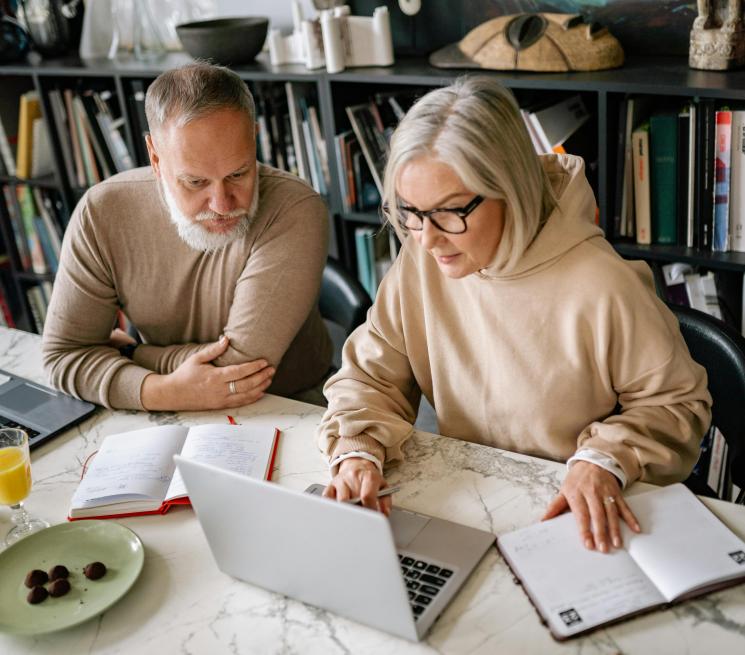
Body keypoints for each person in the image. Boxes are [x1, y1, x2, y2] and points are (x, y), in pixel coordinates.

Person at [317, 76, 712, 552]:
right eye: (410, 212)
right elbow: (370, 377)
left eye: (449, 212)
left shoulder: (602, 283)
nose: (426, 238)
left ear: (510, 189)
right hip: (474, 507)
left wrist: (602, 459)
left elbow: (677, 405)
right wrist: (357, 449)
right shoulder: (422, 256)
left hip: (575, 516)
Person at [42, 62, 333, 411]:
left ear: (254, 139)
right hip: (164, 408)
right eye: (195, 182)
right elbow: (63, 356)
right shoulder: (102, 213)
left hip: (291, 405)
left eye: (238, 173)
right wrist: (162, 390)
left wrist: (132, 353)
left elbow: (240, 371)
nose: (222, 204)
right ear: (155, 157)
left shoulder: (294, 208)